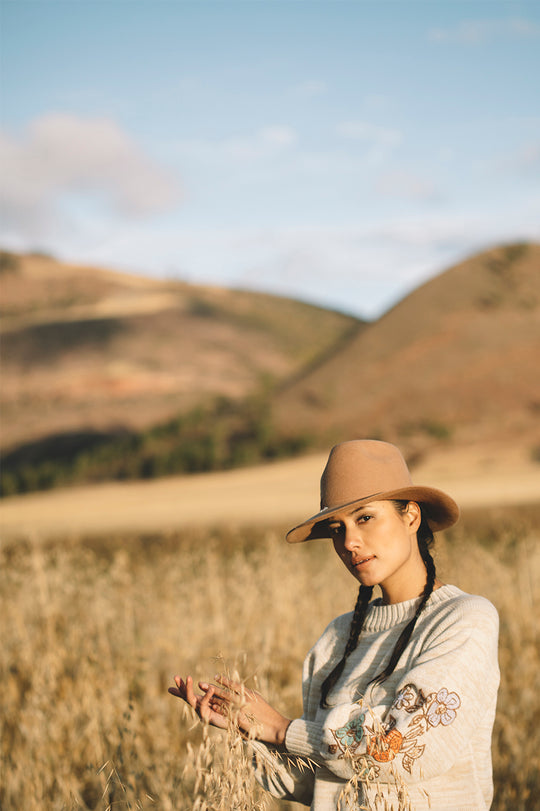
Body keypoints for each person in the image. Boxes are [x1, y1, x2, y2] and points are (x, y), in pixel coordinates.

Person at [169, 440, 500, 810]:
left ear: (411, 516)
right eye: (336, 528)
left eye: (365, 518)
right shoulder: (338, 637)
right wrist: (247, 727)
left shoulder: (462, 619)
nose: (350, 542)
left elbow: (408, 750)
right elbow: (316, 780)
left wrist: (282, 728)